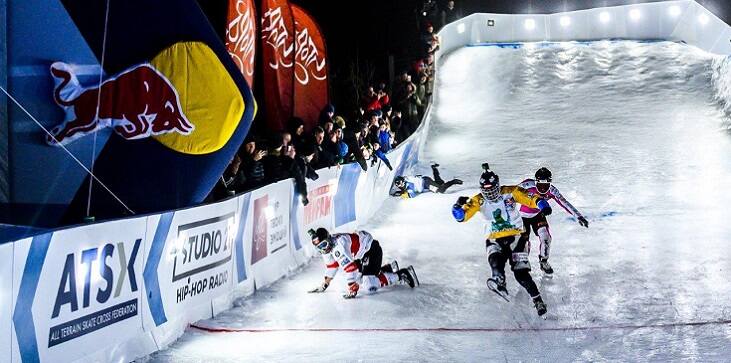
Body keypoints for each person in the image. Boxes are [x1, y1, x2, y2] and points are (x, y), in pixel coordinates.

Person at [451, 164, 553, 316]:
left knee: (521, 274)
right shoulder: (478, 201)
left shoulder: (511, 192)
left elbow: (530, 198)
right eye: (486, 191)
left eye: (492, 190)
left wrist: (542, 204)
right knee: (495, 258)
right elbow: (461, 217)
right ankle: (499, 278)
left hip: (517, 238)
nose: (490, 194)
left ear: (498, 186)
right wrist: (457, 206)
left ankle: (537, 300)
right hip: (495, 239)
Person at [307, 228, 419, 299]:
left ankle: (402, 274)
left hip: (371, 251)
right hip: (361, 255)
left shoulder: (338, 246)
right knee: (359, 279)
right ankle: (388, 269)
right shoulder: (328, 247)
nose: (323, 249)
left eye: (324, 245)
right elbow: (332, 266)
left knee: (368, 285)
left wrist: (352, 288)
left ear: (328, 239)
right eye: (319, 247)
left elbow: (350, 268)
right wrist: (324, 284)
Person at [519, 167, 589, 275]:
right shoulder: (527, 185)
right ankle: (523, 262)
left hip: (538, 215)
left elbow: (565, 203)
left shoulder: (552, 191)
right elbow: (511, 194)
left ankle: (543, 261)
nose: (543, 188)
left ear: (550, 183)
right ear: (535, 181)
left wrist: (578, 216)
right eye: (540, 184)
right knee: (524, 241)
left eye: (546, 184)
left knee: (546, 238)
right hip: (522, 217)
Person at [391, 163, 462, 198]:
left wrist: (401, 194)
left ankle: (454, 181)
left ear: (402, 182)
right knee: (440, 183)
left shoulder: (408, 184)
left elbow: (412, 194)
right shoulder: (406, 181)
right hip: (425, 181)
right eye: (398, 185)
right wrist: (401, 192)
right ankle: (434, 168)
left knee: (441, 190)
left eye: (399, 184)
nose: (399, 186)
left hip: (426, 183)